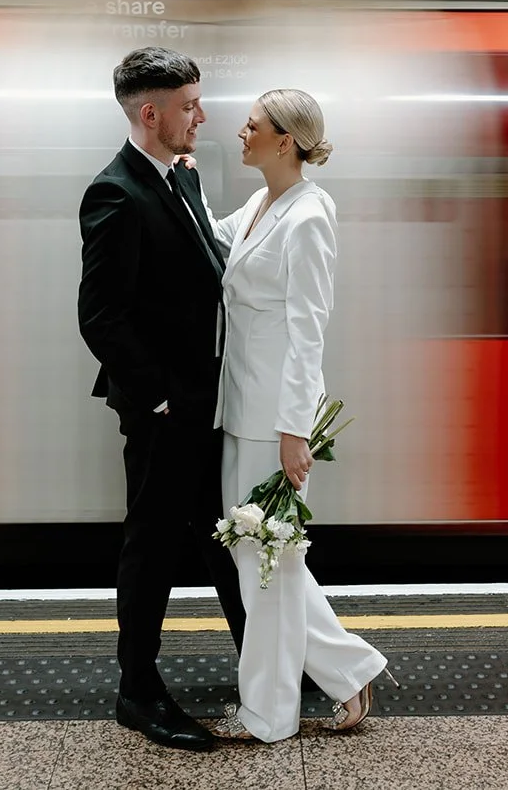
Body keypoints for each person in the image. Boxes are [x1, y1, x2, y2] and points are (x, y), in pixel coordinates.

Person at [201, 89, 389, 743]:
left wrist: (293, 431)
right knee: (269, 562)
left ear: (286, 140)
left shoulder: (308, 216)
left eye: (253, 124)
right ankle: (351, 670)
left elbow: (310, 330)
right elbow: (210, 234)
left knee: (265, 569)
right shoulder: (260, 205)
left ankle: (269, 713)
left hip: (275, 418)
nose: (241, 131)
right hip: (241, 407)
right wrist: (179, 182)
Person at [77, 46, 247, 753]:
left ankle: (265, 659)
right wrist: (156, 400)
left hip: (202, 394)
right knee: (151, 543)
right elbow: (100, 314)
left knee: (222, 534)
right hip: (165, 407)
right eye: (188, 105)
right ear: (151, 112)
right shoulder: (117, 192)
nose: (201, 116)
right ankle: (137, 689)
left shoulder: (180, 175)